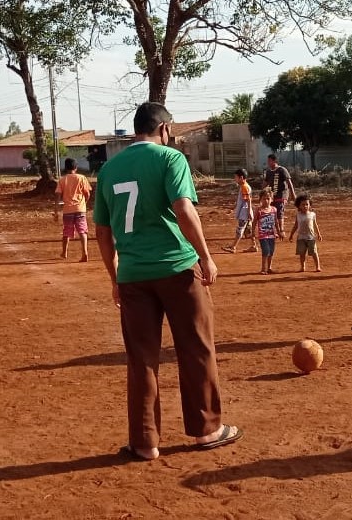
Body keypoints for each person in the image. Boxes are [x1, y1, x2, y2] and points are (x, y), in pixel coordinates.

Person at [94, 102, 242, 461]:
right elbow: (184, 209)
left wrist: (115, 276)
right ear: (164, 129)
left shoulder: (109, 169)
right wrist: (206, 256)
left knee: (141, 359)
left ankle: (144, 443)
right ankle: (207, 430)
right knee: (195, 348)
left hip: (132, 275)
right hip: (177, 269)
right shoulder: (170, 159)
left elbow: (102, 230)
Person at [55, 157, 93, 262]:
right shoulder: (82, 178)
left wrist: (56, 209)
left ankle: (64, 252)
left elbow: (58, 195)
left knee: (67, 231)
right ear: (76, 167)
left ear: (65, 168)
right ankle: (85, 252)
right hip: (80, 208)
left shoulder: (62, 180)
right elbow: (87, 193)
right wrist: (84, 202)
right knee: (82, 230)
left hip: (68, 210)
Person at [221, 168, 256, 253]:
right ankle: (254, 245)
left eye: (236, 177)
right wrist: (233, 208)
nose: (235, 179)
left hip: (245, 212)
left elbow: (248, 200)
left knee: (240, 229)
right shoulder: (244, 186)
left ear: (241, 177)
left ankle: (233, 247)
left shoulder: (244, 187)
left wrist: (248, 213)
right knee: (248, 229)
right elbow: (244, 201)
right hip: (246, 211)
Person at [287, 193, 323, 272]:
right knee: (302, 253)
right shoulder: (298, 215)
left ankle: (318, 266)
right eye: (303, 204)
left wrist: (319, 234)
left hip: (311, 237)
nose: (305, 206)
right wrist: (291, 235)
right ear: (299, 206)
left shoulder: (312, 214)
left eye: (307, 204)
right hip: (301, 237)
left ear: (310, 205)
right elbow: (296, 225)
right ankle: (302, 267)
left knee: (314, 252)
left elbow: (315, 224)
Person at [262, 154, 295, 238]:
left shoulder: (282, 170)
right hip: (272, 196)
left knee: (279, 212)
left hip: (282, 195)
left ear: (274, 161)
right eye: (268, 161)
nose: (268, 162)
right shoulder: (269, 171)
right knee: (272, 213)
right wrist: (262, 193)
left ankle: (281, 230)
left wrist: (293, 194)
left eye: (269, 161)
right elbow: (265, 183)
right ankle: (274, 231)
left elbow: (289, 182)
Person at [255, 187, 278, 275]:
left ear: (272, 199)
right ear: (260, 199)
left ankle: (269, 267)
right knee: (266, 251)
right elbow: (254, 222)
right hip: (263, 235)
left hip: (272, 234)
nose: (266, 200)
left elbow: (276, 221)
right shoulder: (259, 210)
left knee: (271, 252)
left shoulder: (274, 209)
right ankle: (263, 268)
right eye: (264, 199)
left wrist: (279, 232)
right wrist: (253, 232)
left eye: (268, 198)